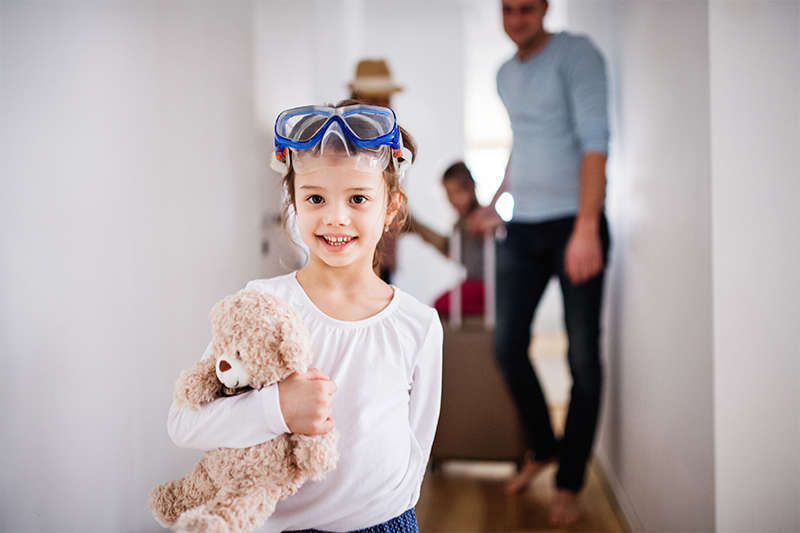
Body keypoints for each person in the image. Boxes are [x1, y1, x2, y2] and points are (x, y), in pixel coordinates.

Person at [167, 100, 442, 532]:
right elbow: (184, 423)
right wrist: (278, 407)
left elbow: (415, 456)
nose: (336, 217)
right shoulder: (262, 304)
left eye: (358, 198)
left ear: (391, 206)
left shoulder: (418, 325)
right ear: (293, 202)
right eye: (315, 197)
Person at [468, 0, 611, 526]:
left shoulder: (578, 56)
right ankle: (544, 447)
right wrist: (496, 200)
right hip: (523, 227)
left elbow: (596, 144)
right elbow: (523, 142)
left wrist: (586, 228)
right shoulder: (505, 74)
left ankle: (570, 483)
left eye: (527, 9)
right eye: (508, 9)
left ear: (546, 8)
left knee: (583, 363)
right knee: (507, 345)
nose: (516, 19)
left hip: (575, 223)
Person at [347, 58, 403, 283]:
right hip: (353, 255)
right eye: (373, 99)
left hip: (384, 255)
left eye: (385, 99)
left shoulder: (392, 142)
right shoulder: (342, 144)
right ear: (356, 98)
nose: (381, 106)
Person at [407, 161, 487, 316]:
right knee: (440, 304)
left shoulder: (483, 219)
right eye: (448, 194)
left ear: (470, 189)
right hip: (471, 283)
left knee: (441, 305)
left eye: (457, 193)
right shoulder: (459, 225)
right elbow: (452, 252)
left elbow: (450, 250)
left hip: (486, 285)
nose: (452, 200)